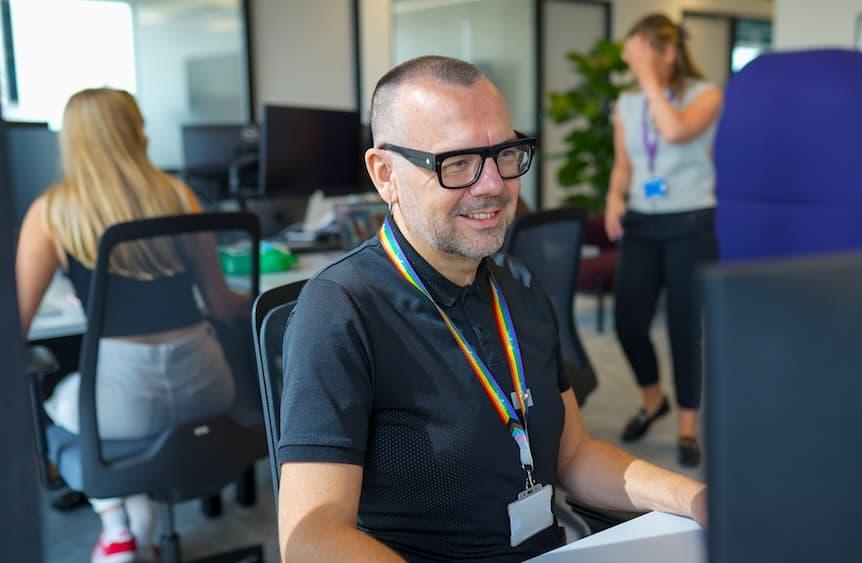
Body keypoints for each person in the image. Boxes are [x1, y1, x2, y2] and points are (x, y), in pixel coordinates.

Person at [278, 55, 708, 563]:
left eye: (504, 153)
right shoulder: (340, 310)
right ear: (385, 174)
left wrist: (698, 498)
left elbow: (572, 455)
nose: (493, 185)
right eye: (456, 163)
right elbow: (310, 536)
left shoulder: (518, 284)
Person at [15, 88, 248, 563]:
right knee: (115, 419)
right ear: (129, 132)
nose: (146, 131)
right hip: (207, 386)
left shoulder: (52, 211)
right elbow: (222, 306)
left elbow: (14, 323)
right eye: (140, 123)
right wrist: (260, 297)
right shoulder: (178, 195)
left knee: (65, 402)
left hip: (122, 400)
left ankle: (116, 525)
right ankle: (136, 532)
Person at [604, 14, 723, 466]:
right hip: (641, 222)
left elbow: (674, 130)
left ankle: (688, 426)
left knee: (683, 327)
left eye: (639, 53)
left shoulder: (705, 95)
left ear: (667, 52)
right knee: (628, 321)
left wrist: (651, 80)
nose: (633, 64)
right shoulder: (627, 103)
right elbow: (624, 163)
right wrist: (615, 194)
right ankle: (653, 399)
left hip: (691, 221)